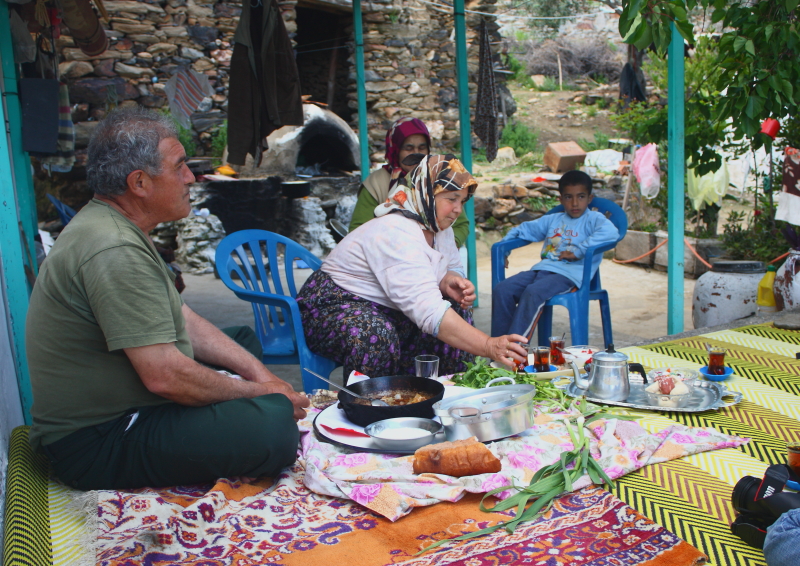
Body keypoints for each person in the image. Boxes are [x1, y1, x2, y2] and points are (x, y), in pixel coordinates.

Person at [25, 108, 309, 491]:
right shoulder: (114, 248)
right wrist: (261, 393)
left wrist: (263, 376)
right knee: (274, 429)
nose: (191, 177)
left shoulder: (117, 226)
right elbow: (164, 375)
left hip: (132, 403)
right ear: (139, 182)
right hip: (99, 440)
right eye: (180, 167)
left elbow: (183, 318)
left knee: (240, 342)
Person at [297, 154, 528, 381]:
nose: (458, 209)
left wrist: (449, 280)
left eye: (462, 201)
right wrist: (488, 345)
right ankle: (372, 409)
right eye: (451, 199)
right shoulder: (396, 230)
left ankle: (441, 395)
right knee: (376, 334)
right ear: (425, 192)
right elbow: (428, 311)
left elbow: (449, 266)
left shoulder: (439, 228)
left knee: (457, 309)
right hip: (331, 306)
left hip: (386, 308)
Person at [491, 170, 619, 338]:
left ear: (589, 198)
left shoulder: (594, 219)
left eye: (580, 197)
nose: (574, 203)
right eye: (568, 197)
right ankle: (499, 346)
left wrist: (578, 251)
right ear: (560, 199)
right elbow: (523, 230)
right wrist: (504, 250)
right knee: (503, 289)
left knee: (533, 292)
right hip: (541, 270)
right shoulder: (554, 219)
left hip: (568, 276)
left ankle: (515, 350)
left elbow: (611, 233)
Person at [348, 117, 470, 248]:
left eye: (422, 148)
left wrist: (444, 246)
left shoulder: (440, 179)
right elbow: (358, 230)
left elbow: (461, 225)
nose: (416, 153)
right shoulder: (377, 183)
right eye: (409, 148)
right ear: (396, 150)